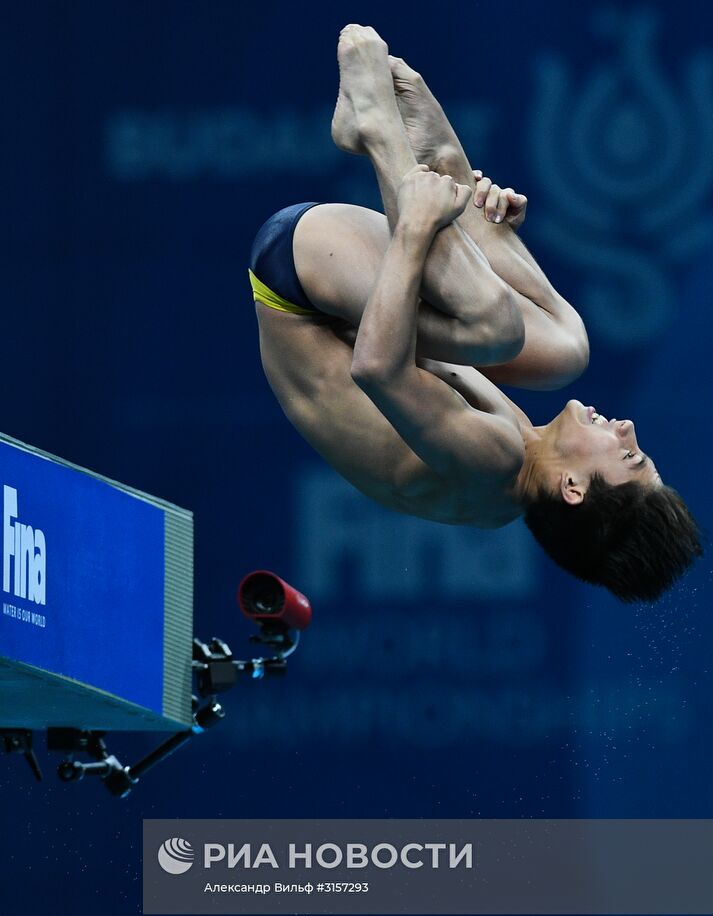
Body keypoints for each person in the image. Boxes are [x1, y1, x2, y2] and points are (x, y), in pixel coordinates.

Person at [249, 25, 702, 602]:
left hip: (300, 286)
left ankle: (382, 134)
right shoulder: (516, 469)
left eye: (630, 456)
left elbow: (377, 369)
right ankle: (450, 175)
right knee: (567, 348)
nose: (627, 430)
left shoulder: (495, 463)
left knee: (494, 328)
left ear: (572, 488)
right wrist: (491, 235)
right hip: (352, 303)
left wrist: (416, 230)